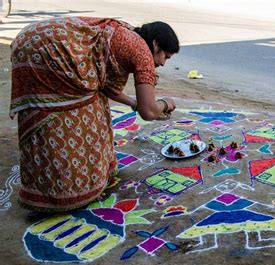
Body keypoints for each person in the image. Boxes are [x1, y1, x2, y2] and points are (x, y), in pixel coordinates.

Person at [9, 16, 180, 212]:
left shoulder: (128, 35)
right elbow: (148, 111)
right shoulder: (142, 51)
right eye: (165, 56)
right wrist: (165, 104)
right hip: (46, 51)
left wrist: (133, 103)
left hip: (31, 41)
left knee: (88, 103)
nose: (164, 63)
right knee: (78, 115)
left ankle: (50, 189)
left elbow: (105, 86)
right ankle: (66, 192)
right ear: (156, 44)